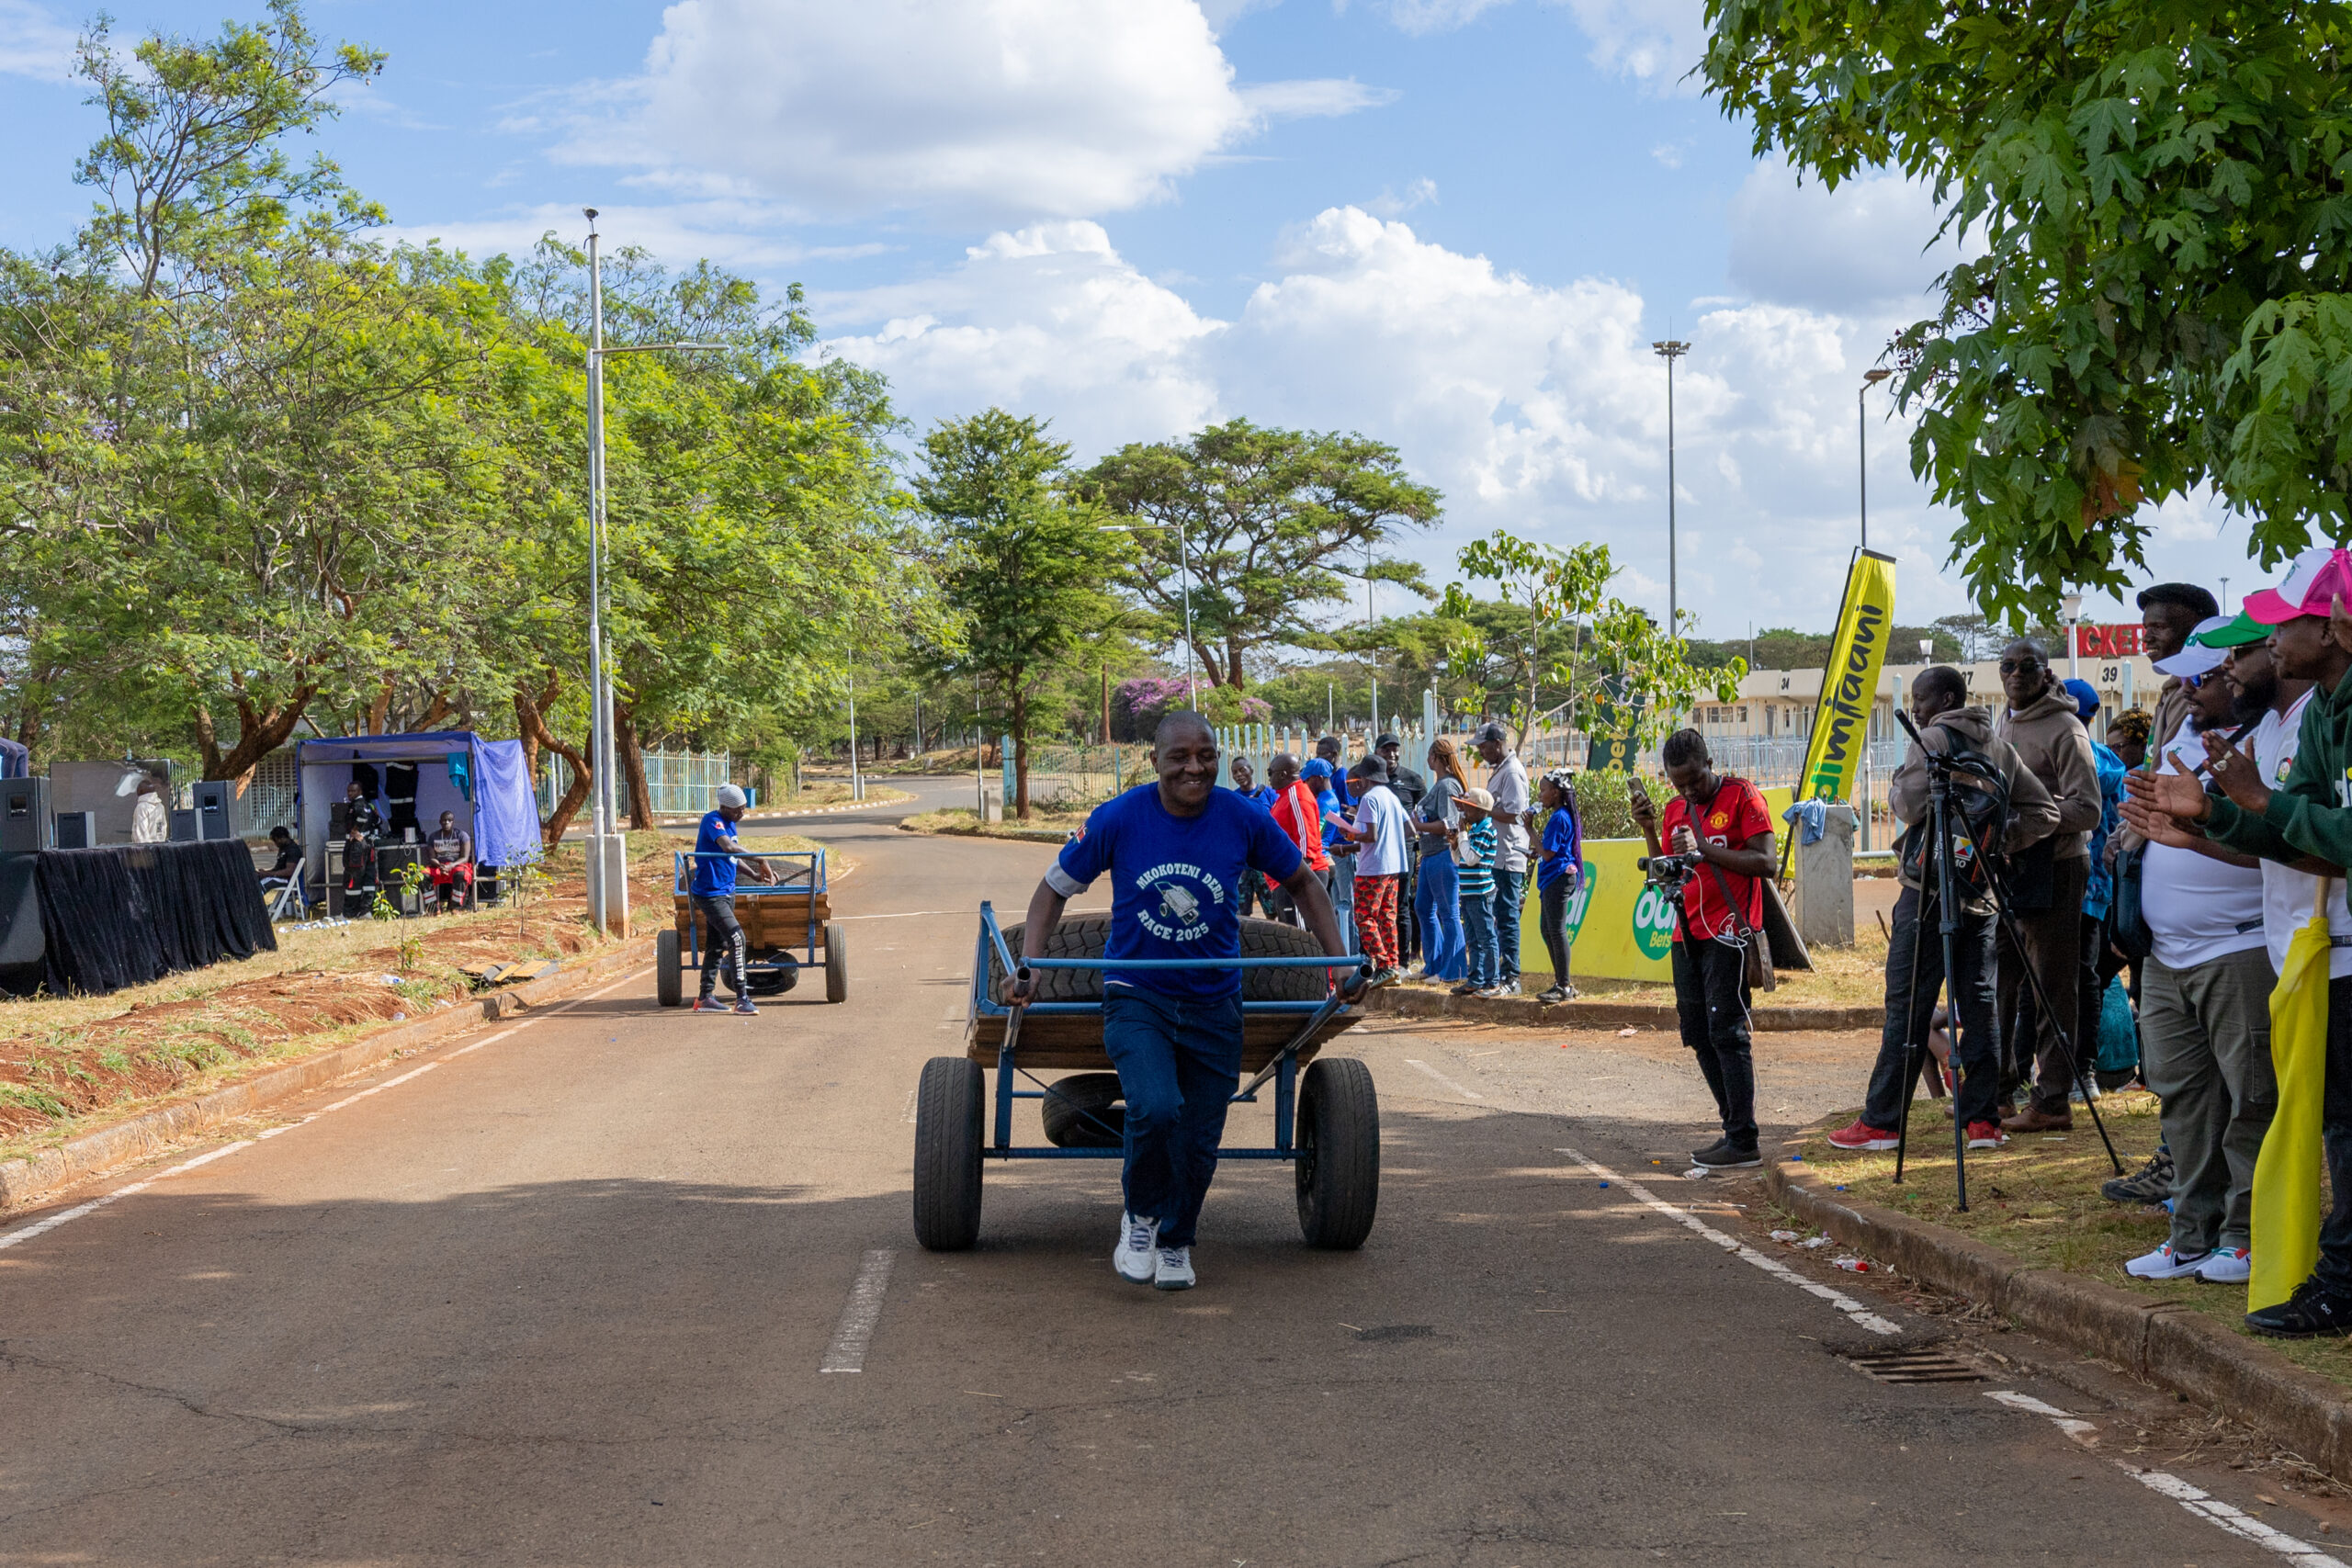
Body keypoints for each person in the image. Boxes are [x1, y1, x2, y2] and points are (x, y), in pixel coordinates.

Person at [1012, 709, 1358, 1292]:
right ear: (1155, 761)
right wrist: (1031, 965)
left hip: (1214, 1002)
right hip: (1137, 995)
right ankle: (1142, 1217)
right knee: (1154, 1107)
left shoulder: (1241, 817)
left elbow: (1301, 882)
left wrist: (1338, 961)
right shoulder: (1119, 818)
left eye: (1206, 756)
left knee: (1199, 1137)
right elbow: (1053, 888)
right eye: (1179, 757)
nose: (1194, 768)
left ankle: (1177, 1240)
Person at [2127, 547, 2352, 1335]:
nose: (2203, 681)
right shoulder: (2321, 712)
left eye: (2279, 627)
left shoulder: (2310, 719)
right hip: (2304, 949)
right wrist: (2208, 818)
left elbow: (2330, 838)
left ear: (2330, 627)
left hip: (2295, 945)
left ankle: (2309, 1262)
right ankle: (2299, 1257)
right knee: (2318, 1114)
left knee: (2308, 1112)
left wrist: (2240, 806)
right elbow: (2295, 835)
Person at [1826, 665, 2059, 1154]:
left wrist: (1899, 785)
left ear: (1948, 698)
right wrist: (1991, 844)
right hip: (1980, 892)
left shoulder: (1931, 739)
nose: (1915, 710)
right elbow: (2045, 812)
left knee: (1907, 1002)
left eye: (1921, 699)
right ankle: (1983, 1120)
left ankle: (1882, 1123)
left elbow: (1908, 807)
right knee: (1979, 1003)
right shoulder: (1999, 745)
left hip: (1926, 888)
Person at [2120, 641, 2276, 1284]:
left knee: (2250, 1100)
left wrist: (2190, 838)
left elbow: (2277, 846)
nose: (2189, 692)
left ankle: (2245, 1236)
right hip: (2167, 953)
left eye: (2203, 679)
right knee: (2183, 1096)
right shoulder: (2184, 730)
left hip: (2238, 946)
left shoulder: (2267, 739)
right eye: (2182, 681)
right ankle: (2191, 1232)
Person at [1630, 729, 1777, 1168]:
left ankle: (1744, 1139)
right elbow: (1664, 876)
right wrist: (1649, 829)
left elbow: (1767, 863)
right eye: (1680, 784)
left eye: (1695, 780)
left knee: (1727, 1033)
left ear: (1710, 762)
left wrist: (1707, 850)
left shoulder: (1741, 796)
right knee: (1696, 1033)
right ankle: (1732, 1129)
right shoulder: (1677, 808)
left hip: (1729, 932)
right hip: (1687, 932)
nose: (1690, 790)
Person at [1992, 637, 2105, 1132]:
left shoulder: (2066, 728)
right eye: (2008, 665)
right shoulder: (2003, 722)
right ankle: (1996, 1093)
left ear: (2045, 671)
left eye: (2027, 666)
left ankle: (2053, 1099)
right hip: (2009, 870)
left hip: (2057, 868)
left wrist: (2029, 821)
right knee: (1999, 983)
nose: (2016, 674)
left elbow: (2089, 810)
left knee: (2052, 988)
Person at [690, 783, 775, 1016]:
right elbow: (728, 847)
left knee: (716, 946)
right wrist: (761, 859)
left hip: (727, 891)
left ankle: (705, 998)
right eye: (738, 809)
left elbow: (733, 859)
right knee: (738, 938)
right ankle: (742, 998)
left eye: (744, 808)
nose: (742, 813)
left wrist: (755, 874)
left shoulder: (729, 823)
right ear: (725, 807)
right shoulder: (713, 821)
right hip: (711, 893)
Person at [1331, 756, 1409, 986]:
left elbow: (1371, 836)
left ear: (1364, 779)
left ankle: (1384, 964)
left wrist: (1348, 836)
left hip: (1373, 868)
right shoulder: (1391, 797)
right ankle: (1392, 966)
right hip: (1393, 867)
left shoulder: (1369, 799)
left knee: (1364, 917)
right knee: (1387, 917)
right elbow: (1409, 828)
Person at [1474, 722, 1532, 996]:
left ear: (1497, 743)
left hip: (1509, 856)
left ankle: (1512, 978)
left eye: (1484, 746)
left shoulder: (1512, 771)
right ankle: (1499, 975)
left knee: (1508, 917)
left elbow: (1515, 814)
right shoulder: (1501, 770)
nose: (1481, 752)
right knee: (1500, 916)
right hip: (1497, 856)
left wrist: (1483, 809)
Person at [1413, 738, 1470, 985]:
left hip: (1443, 854)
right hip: (1430, 855)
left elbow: (1449, 824)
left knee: (1448, 912)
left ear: (1436, 757)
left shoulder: (1447, 787)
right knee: (1423, 908)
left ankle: (1454, 969)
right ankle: (1434, 963)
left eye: (1429, 755)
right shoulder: (1441, 785)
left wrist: (1418, 825)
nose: (1427, 760)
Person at [1375, 733, 1427, 963]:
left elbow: (1424, 813)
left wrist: (1419, 847)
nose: (1392, 754)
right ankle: (1383, 956)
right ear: (1377, 752)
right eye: (1386, 750)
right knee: (1379, 906)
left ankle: (1404, 959)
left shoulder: (1412, 779)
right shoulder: (1371, 779)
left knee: (1401, 906)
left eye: (1395, 749)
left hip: (1404, 852)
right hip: (1376, 854)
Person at [1533, 769, 1583, 1003]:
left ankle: (1564, 985)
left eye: (1543, 790)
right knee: (1548, 929)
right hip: (1554, 877)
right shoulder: (1561, 816)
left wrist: (1529, 828)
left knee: (1556, 929)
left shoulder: (1559, 817)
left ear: (1555, 793)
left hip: (1558, 878)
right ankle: (1562, 982)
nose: (1540, 794)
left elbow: (1549, 853)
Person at [1265, 752, 1326, 927]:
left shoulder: (1297, 796)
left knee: (1300, 938)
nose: (1269, 778)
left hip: (1298, 879)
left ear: (1283, 774)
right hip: (1286, 879)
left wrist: (1295, 881)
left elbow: (1306, 843)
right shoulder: (1285, 796)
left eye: (1270, 772)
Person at [1453, 787, 1502, 997]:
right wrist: (1455, 843)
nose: (1463, 811)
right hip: (1469, 892)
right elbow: (1459, 859)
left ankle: (1492, 982)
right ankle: (1476, 978)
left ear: (1481, 810)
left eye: (1468, 807)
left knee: (1486, 937)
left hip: (1481, 892)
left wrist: (1462, 835)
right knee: (1473, 938)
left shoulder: (1485, 830)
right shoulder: (1473, 830)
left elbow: (1472, 859)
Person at [1304, 757, 1356, 954]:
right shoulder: (1332, 798)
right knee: (1335, 911)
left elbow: (1315, 833)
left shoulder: (1323, 803)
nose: (1306, 785)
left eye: (1307, 780)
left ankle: (1339, 955)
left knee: (1330, 913)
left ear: (1317, 778)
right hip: (1330, 859)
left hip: (1322, 860)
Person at [1226, 758, 1276, 916]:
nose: (1239, 774)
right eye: (1235, 772)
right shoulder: (1234, 799)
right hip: (1244, 864)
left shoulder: (1268, 794)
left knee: (1272, 909)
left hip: (1265, 863)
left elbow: (1277, 822)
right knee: (1241, 912)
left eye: (1242, 770)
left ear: (1251, 771)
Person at [424, 810, 475, 913]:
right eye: (444, 820)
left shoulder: (462, 835)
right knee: (422, 875)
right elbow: (432, 857)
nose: (446, 823)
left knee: (462, 874)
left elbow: (465, 858)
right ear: (440, 822)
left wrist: (451, 866)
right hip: (439, 866)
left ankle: (456, 907)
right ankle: (434, 908)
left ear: (453, 822)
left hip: (456, 865)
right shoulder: (433, 836)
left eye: (449, 820)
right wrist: (440, 865)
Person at [340, 778, 383, 843]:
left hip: (359, 840)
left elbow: (363, 818)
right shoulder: (361, 803)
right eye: (348, 791)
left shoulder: (359, 804)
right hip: (358, 839)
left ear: (360, 792)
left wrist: (354, 830)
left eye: (353, 791)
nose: (350, 793)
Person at [130, 776, 170, 844]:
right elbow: (162, 827)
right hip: (159, 846)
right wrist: (160, 841)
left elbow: (141, 832)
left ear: (140, 791)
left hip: (145, 849)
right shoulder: (160, 806)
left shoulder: (141, 807)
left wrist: (145, 848)